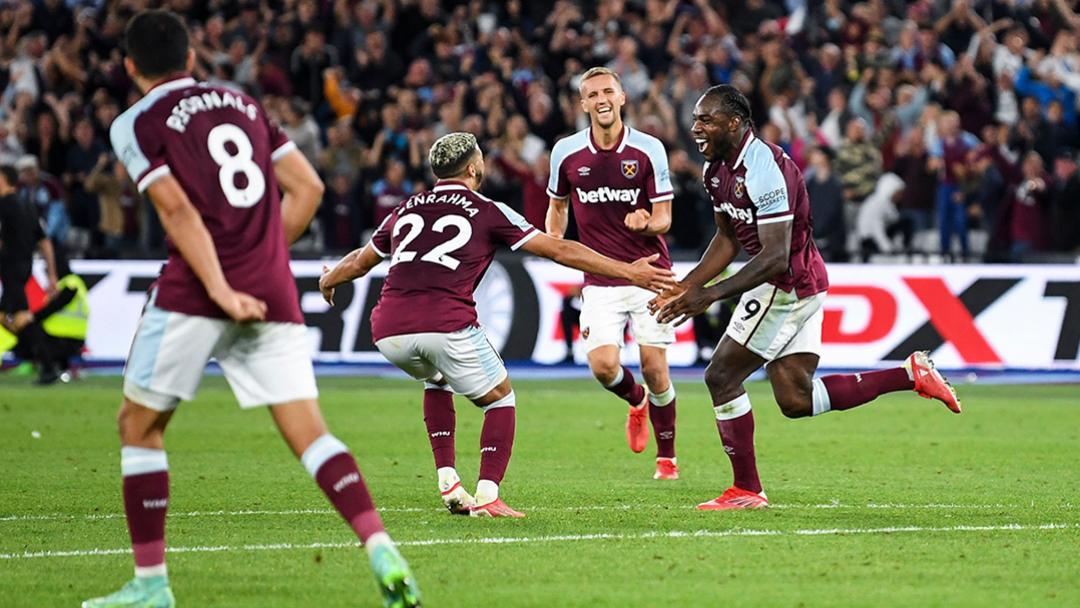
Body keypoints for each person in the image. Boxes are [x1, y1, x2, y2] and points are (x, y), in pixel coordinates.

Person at [84, 11, 419, 608]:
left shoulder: (136, 122)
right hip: (271, 286)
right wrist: (259, 260)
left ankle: (151, 585)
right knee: (310, 434)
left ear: (130, 67)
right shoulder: (240, 103)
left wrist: (219, 285)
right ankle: (378, 546)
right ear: (191, 58)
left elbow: (178, 213)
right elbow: (309, 189)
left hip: (197, 288)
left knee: (139, 426)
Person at [319, 132, 674, 518]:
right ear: (474, 167)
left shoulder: (406, 207)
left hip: (387, 330)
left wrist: (329, 279)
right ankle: (488, 496)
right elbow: (559, 249)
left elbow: (360, 261)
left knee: (436, 380)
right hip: (445, 324)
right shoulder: (487, 209)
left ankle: (449, 481)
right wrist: (628, 271)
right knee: (501, 398)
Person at [650, 85, 961, 511]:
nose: (696, 127)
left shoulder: (765, 168)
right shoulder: (715, 170)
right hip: (798, 280)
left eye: (706, 119)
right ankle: (909, 375)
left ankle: (746, 488)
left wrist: (710, 295)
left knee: (721, 376)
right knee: (796, 400)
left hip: (785, 284)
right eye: (696, 119)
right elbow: (726, 239)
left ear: (735, 123)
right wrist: (689, 285)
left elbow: (775, 256)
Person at [545, 67, 681, 480]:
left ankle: (667, 459)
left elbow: (665, 217)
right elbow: (558, 205)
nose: (601, 99)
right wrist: (555, 241)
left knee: (656, 367)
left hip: (651, 273)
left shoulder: (648, 149)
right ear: (583, 104)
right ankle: (635, 400)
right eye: (592, 94)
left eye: (608, 91)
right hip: (601, 277)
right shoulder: (566, 153)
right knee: (604, 367)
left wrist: (647, 222)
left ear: (622, 98)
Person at [0, 163, 59, 385]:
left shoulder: (4, 204)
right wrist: (51, 274)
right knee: (8, 317)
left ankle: (46, 364)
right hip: (24, 267)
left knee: (22, 317)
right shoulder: (27, 205)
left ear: (3, 179)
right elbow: (44, 241)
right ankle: (38, 358)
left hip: (11, 267)